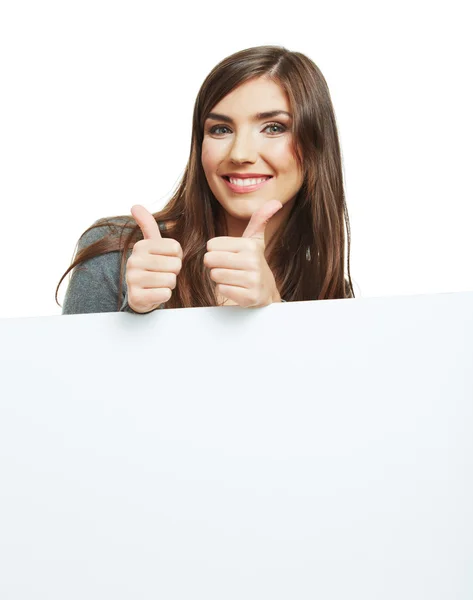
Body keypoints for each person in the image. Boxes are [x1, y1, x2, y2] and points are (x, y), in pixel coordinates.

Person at [57, 45, 355, 315]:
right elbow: (70, 373)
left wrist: (275, 311)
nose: (240, 154)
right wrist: (136, 314)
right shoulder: (118, 251)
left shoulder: (328, 292)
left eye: (274, 127)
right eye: (221, 129)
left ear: (315, 145)